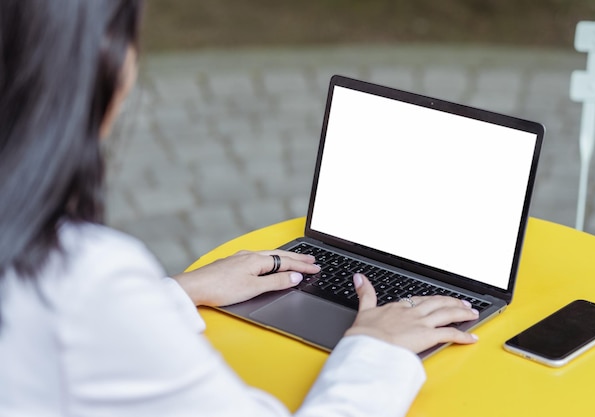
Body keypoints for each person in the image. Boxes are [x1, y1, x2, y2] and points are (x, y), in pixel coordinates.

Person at [0, 1, 479, 416]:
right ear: (102, 60)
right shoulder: (85, 278)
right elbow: (76, 319)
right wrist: (378, 347)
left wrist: (179, 292)